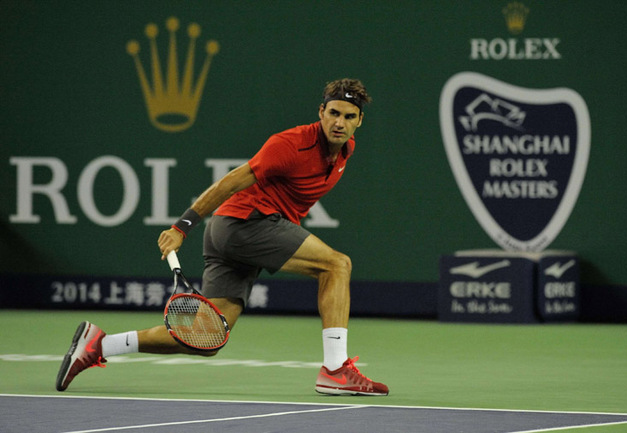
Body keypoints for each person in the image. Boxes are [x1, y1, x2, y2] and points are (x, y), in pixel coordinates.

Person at [56, 78, 389, 396]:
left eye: (349, 117)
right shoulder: (290, 144)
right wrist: (181, 227)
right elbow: (228, 183)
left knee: (205, 336)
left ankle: (98, 345)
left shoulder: (345, 151)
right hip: (244, 225)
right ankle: (335, 370)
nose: (339, 123)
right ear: (321, 112)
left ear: (360, 120)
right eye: (333, 113)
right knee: (336, 265)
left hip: (238, 233)